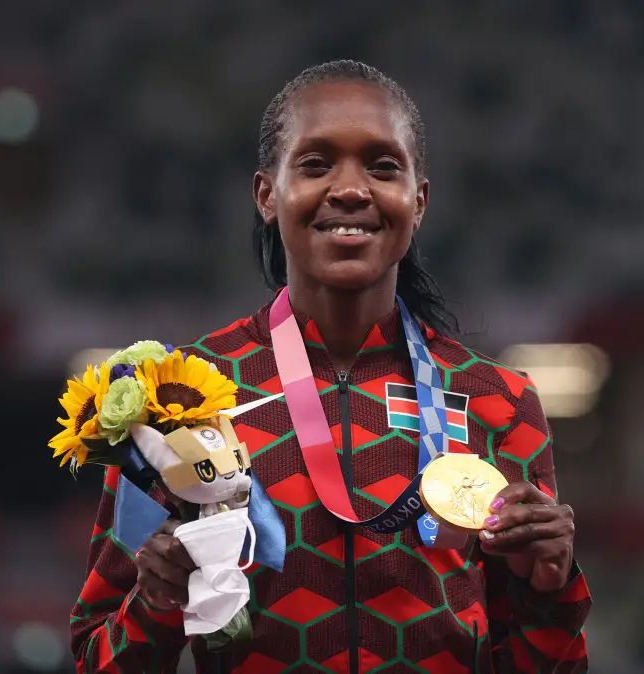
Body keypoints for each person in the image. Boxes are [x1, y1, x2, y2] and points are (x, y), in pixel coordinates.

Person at [70, 59, 591, 674]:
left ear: (417, 201)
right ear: (268, 194)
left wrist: (548, 591)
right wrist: (155, 602)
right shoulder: (180, 395)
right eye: (316, 164)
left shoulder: (497, 399)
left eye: (383, 166)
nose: (350, 188)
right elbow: (96, 658)